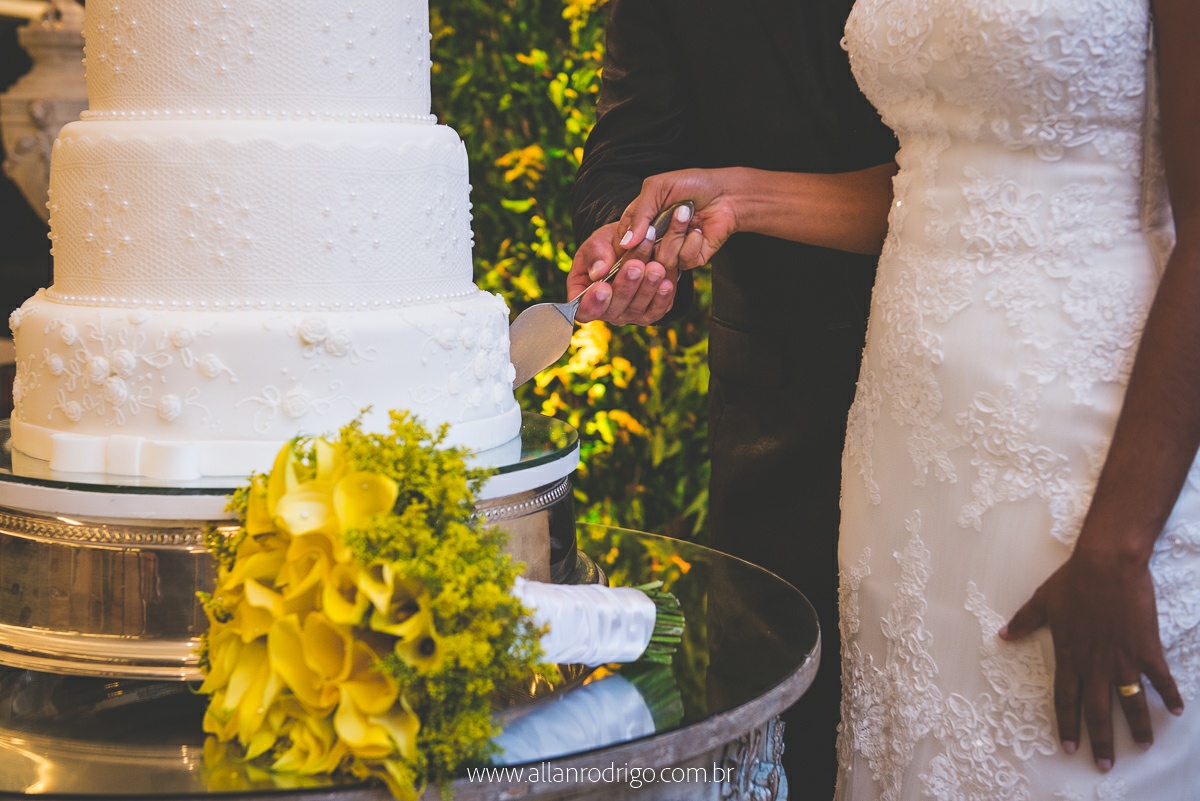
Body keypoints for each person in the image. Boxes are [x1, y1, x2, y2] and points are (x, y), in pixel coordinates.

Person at [610, 0, 1200, 797]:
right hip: (902, 446)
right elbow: (942, 174)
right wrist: (738, 196)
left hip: (1080, 442)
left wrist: (1120, 541)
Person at [568, 1, 897, 796]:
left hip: (982, 369)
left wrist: (740, 195)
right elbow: (625, 162)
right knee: (784, 728)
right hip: (781, 411)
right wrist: (631, 244)